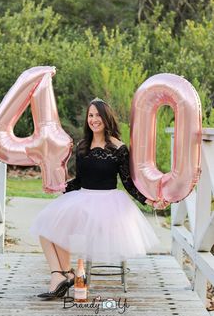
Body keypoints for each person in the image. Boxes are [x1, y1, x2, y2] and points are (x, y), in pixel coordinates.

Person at [30, 97, 165, 299]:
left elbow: (128, 183)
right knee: (46, 227)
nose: (94, 119)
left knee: (58, 226)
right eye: (90, 115)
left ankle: (63, 276)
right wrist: (59, 187)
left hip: (107, 206)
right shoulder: (83, 146)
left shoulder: (119, 148)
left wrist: (150, 200)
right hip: (83, 198)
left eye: (98, 115)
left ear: (106, 118)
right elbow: (80, 180)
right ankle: (62, 274)